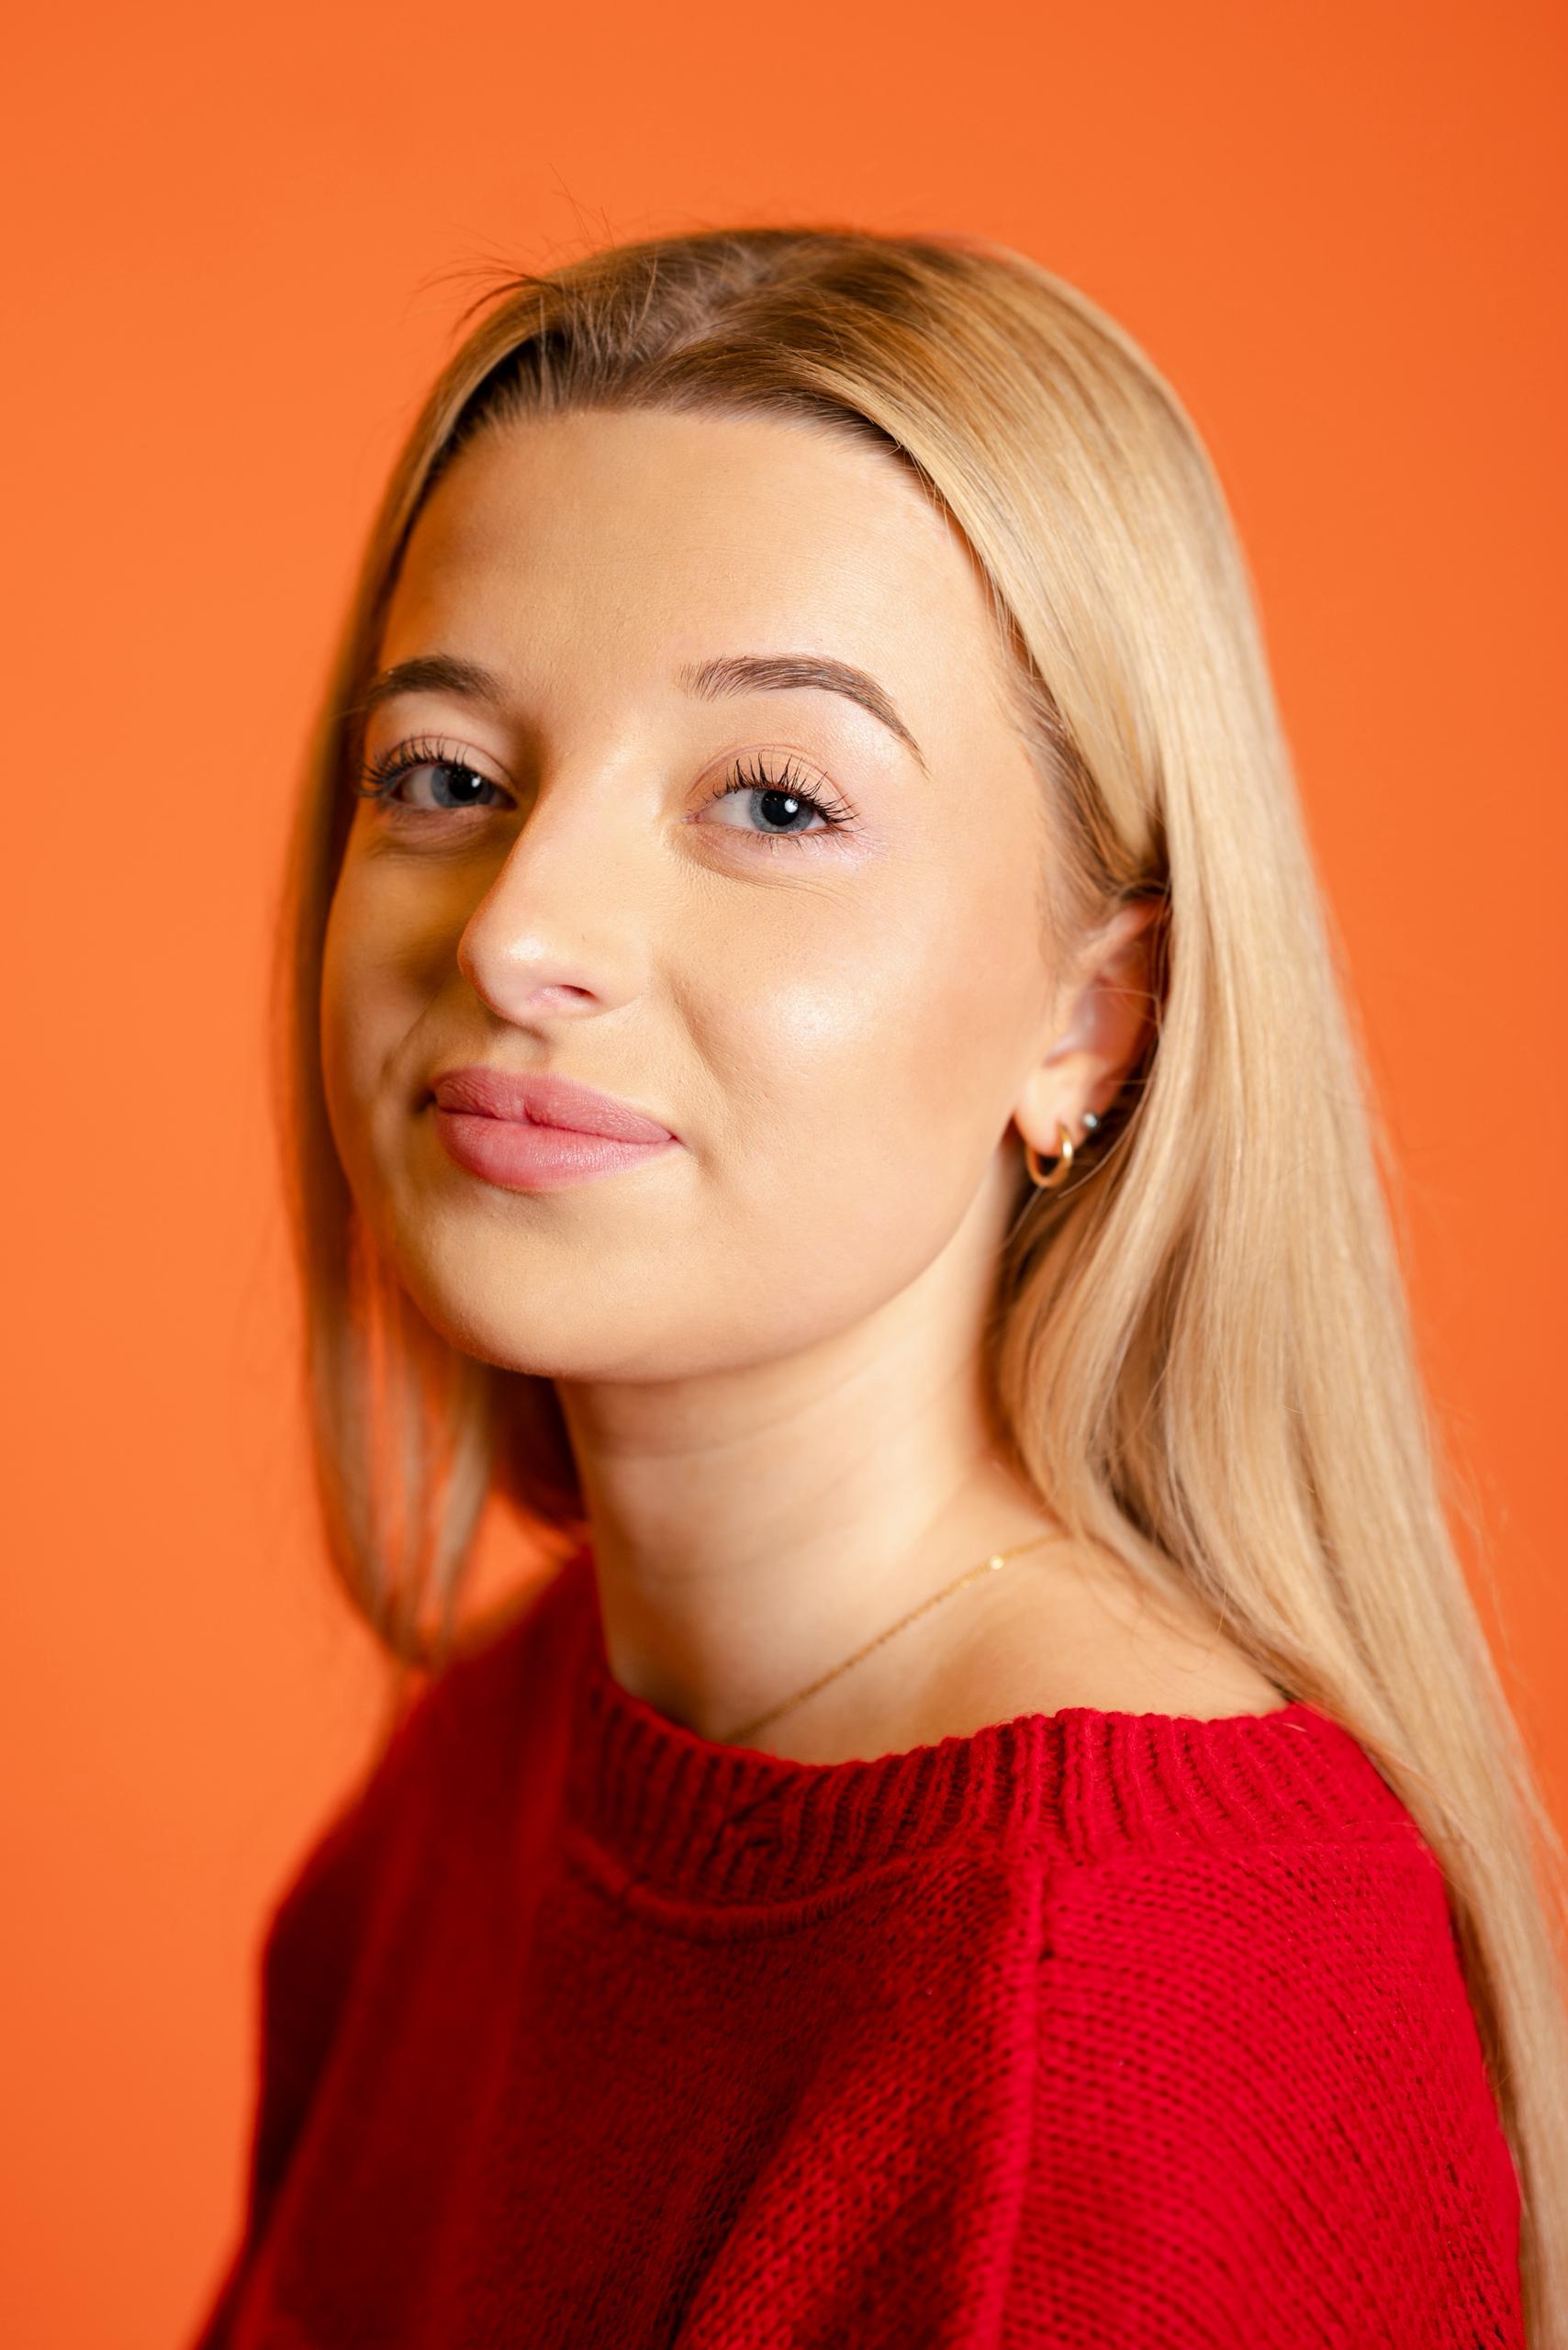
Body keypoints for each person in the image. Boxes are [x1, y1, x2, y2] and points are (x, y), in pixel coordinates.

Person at [188, 226, 1564, 2347]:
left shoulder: (1142, 2015)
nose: (518, 925)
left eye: (770, 799)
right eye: (446, 774)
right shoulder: (492, 1769)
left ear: (1095, 1021)